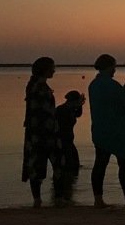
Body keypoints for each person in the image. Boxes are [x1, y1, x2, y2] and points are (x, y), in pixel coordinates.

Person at [88, 54, 125, 209]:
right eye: (114, 67)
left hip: (100, 129)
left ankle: (98, 200)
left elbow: (112, 100)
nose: (115, 70)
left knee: (100, 164)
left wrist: (124, 88)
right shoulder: (112, 85)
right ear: (109, 67)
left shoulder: (93, 85)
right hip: (117, 130)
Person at [22, 56, 64, 208]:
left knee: (42, 166)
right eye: (52, 67)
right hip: (43, 133)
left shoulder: (37, 86)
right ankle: (47, 199)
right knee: (52, 165)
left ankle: (43, 200)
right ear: (45, 69)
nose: (54, 70)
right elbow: (43, 112)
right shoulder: (38, 87)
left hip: (40, 132)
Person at [54, 90, 84, 201]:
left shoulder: (70, 109)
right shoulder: (62, 110)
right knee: (66, 165)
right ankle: (62, 192)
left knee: (73, 165)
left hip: (69, 141)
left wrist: (80, 105)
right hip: (62, 141)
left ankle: (66, 188)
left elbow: (78, 114)